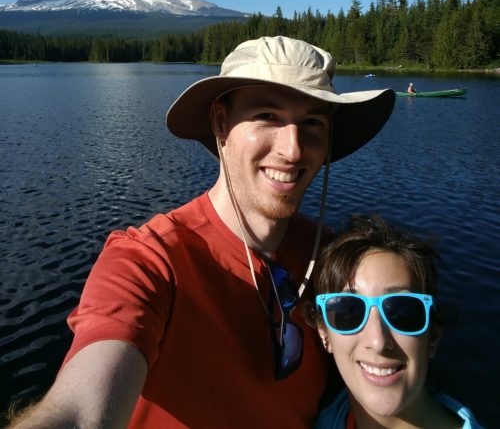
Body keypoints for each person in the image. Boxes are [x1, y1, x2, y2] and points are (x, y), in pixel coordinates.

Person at [9, 36, 395, 428]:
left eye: (313, 121)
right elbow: (78, 411)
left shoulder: (331, 257)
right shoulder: (150, 261)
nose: (293, 150)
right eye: (267, 116)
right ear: (220, 122)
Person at [308, 214, 483, 428]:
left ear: (433, 337)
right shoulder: (327, 418)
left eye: (403, 313)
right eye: (348, 311)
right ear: (324, 333)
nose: (378, 342)